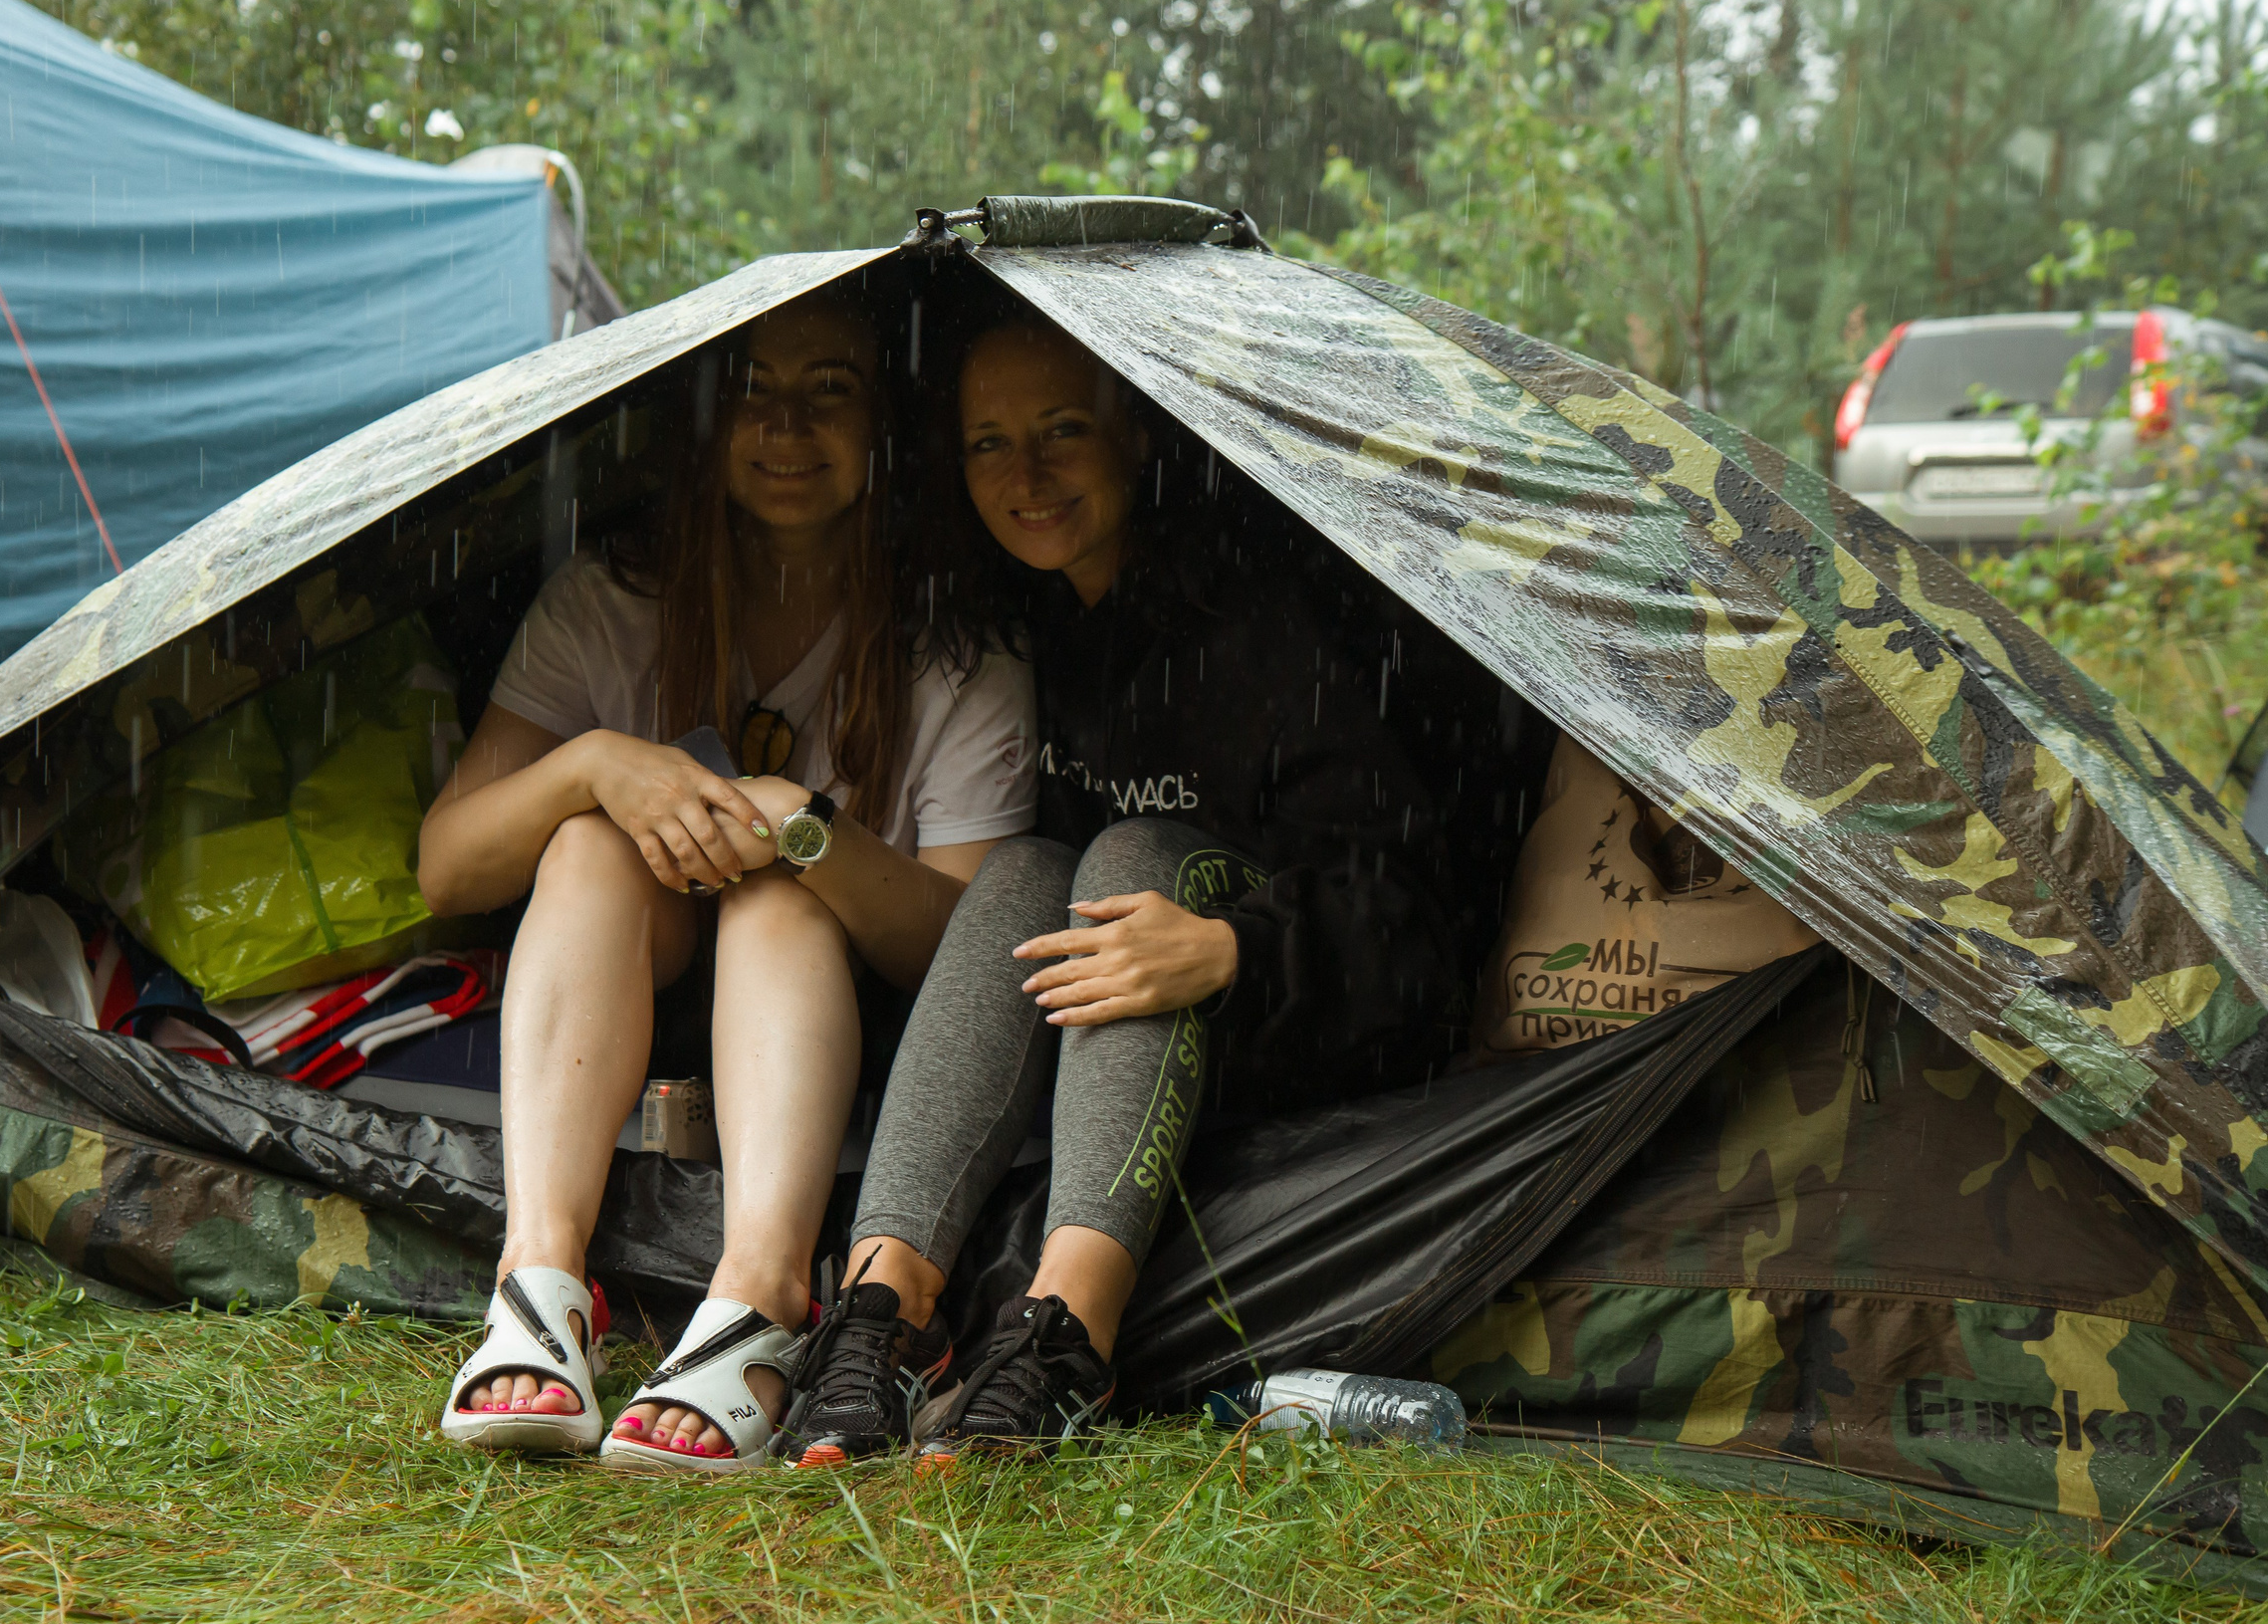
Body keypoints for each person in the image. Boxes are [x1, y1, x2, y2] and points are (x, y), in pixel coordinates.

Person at [776, 314, 1543, 1465]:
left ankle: (1066, 1338)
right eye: (988, 444)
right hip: (1114, 1044)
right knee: (1028, 867)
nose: (1025, 476)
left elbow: (1419, 924)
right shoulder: (1020, 621)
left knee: (1131, 855)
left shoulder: (1271, 617)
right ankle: (885, 1316)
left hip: (1310, 1013)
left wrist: (1235, 951)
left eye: (1062, 430)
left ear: (1136, 435)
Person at [418, 288, 1035, 1471]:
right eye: (752, 390)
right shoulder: (612, 597)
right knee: (589, 838)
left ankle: (761, 1296)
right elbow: (447, 867)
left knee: (773, 897)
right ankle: (540, 1278)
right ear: (703, 424)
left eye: (830, 392)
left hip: (841, 1019)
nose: (786, 426)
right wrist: (595, 767)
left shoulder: (958, 643)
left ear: (887, 432)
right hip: (618, 981)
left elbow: (965, 952)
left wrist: (806, 833)